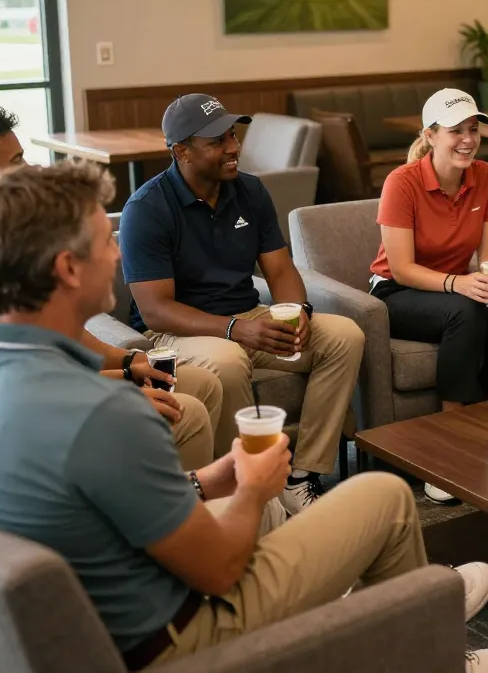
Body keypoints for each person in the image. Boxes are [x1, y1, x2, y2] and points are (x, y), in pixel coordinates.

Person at [0, 162, 488, 673]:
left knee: (264, 510)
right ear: (68, 268)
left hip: (93, 619)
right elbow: (217, 569)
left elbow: (89, 504)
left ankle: (387, 603)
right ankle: (431, 647)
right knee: (382, 497)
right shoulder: (105, 414)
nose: (117, 253)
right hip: (180, 635)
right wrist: (255, 487)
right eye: (104, 240)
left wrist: (205, 481)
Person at [120, 94, 363, 514]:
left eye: (233, 135)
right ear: (182, 152)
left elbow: (280, 269)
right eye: (217, 141)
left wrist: (299, 312)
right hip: (175, 332)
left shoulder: (250, 190)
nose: (233, 147)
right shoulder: (146, 209)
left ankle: (301, 475)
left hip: (247, 317)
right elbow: (157, 310)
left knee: (344, 335)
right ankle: (246, 488)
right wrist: (235, 329)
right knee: (228, 360)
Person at [0, 107, 220, 469]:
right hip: (14, 431)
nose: (31, 168)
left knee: (201, 382)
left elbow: (57, 336)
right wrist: (111, 389)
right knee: (188, 411)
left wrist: (127, 362)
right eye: (17, 161)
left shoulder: (14, 234)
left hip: (51, 390)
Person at [370, 88, 488, 505]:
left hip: (454, 288)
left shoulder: (486, 176)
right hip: (396, 293)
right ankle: (449, 445)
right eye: (455, 130)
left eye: (473, 129)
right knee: (465, 311)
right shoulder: (402, 182)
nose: (467, 139)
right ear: (430, 135)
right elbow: (401, 268)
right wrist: (460, 284)